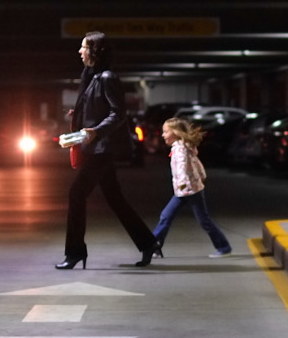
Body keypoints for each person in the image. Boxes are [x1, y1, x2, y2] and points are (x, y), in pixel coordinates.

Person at [56, 31, 159, 269]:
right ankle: (148, 243)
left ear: (95, 51)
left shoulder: (107, 77)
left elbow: (118, 113)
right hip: (94, 146)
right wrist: (80, 115)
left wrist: (96, 131)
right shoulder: (89, 75)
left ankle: (74, 253)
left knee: (76, 193)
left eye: (83, 47)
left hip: (104, 148)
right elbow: (96, 106)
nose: (79, 51)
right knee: (115, 198)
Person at [151, 118, 233, 258]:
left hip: (188, 189)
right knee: (167, 216)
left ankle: (224, 247)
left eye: (166, 132)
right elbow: (196, 163)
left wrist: (182, 183)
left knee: (177, 217)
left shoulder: (180, 149)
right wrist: (201, 176)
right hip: (188, 189)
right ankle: (154, 247)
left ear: (176, 133)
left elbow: (183, 166)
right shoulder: (184, 146)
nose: (163, 135)